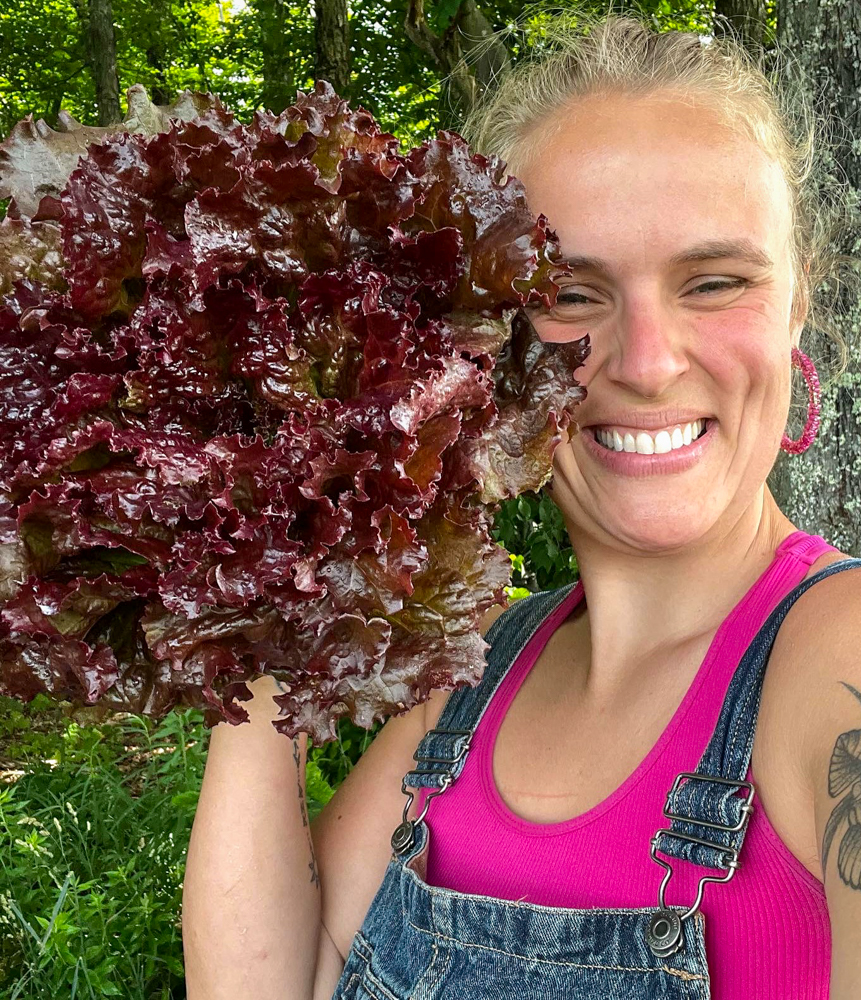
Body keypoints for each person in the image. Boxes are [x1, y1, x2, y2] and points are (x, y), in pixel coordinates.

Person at [181, 12, 861, 1000]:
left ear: (796, 307)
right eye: (571, 293)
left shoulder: (838, 662)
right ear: (486, 341)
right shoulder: (469, 678)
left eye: (714, 281)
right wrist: (264, 555)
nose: (648, 359)